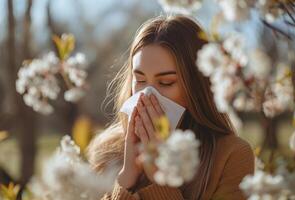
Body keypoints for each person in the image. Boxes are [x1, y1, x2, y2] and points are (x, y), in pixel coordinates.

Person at [87, 14, 255, 200]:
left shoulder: (231, 156)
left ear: (196, 88)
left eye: (166, 82)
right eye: (140, 80)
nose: (148, 95)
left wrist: (160, 180)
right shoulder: (107, 152)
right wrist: (127, 178)